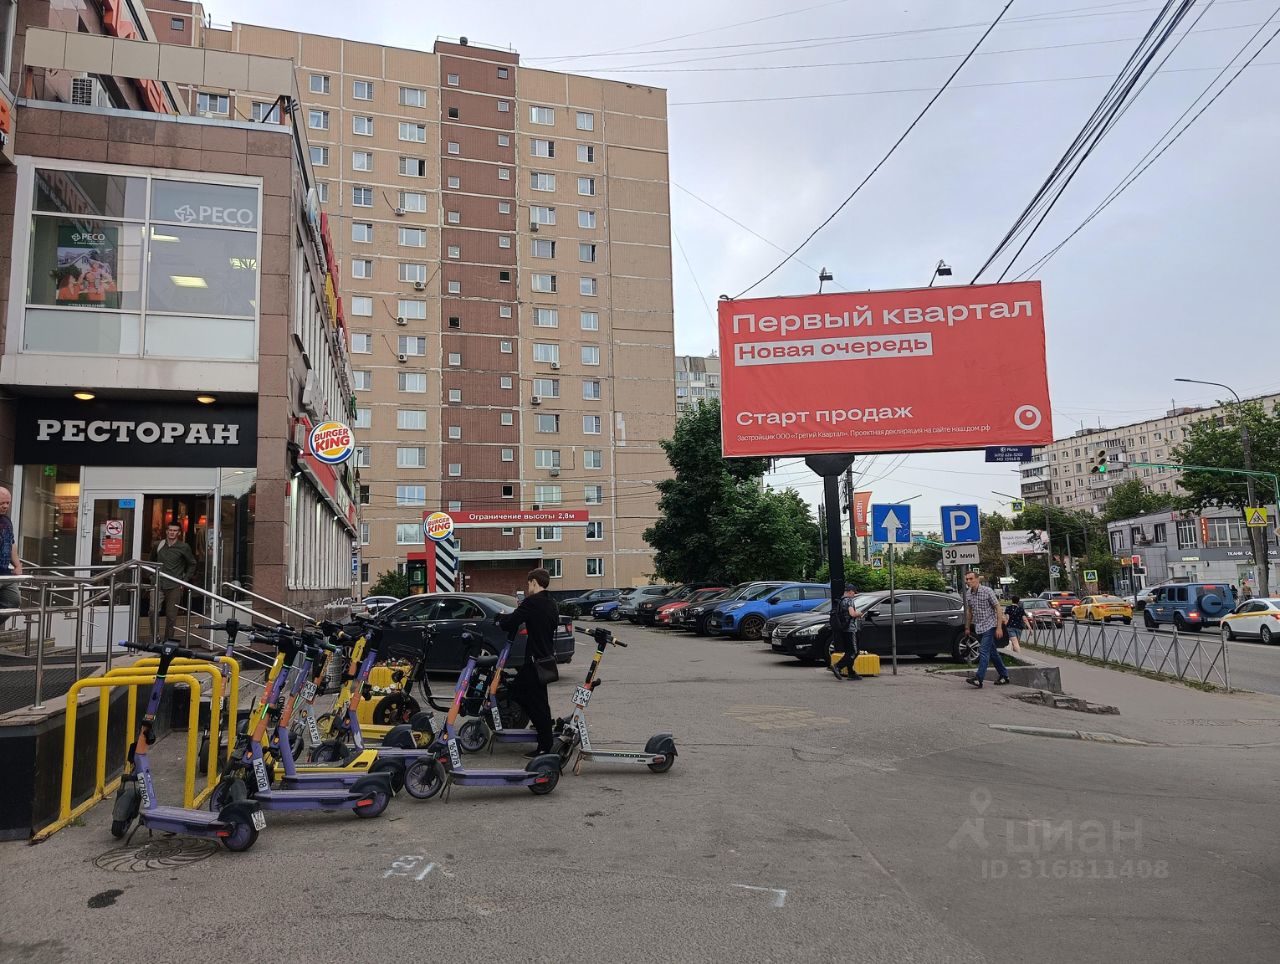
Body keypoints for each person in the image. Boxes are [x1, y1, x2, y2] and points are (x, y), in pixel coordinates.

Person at [497, 568, 560, 756]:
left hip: (533, 661)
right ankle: (544, 732)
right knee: (539, 701)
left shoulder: (532, 602)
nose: (528, 586)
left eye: (529, 583)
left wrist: (500, 618)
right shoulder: (551, 603)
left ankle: (544, 746)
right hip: (546, 660)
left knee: (521, 694)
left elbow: (511, 622)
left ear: (534, 582)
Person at [964, 571, 1010, 688]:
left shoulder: (987, 591)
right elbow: (970, 611)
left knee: (983, 651)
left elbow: (998, 608)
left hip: (990, 625)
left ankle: (979, 678)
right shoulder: (968, 594)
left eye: (971, 579)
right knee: (992, 653)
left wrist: (999, 627)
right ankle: (1004, 675)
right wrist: (967, 627)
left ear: (977, 579)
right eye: (967, 579)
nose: (968, 581)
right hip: (979, 627)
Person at [152, 523, 197, 640]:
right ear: (166, 531)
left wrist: (184, 581)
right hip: (158, 583)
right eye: (170, 530)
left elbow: (192, 564)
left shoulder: (184, 547)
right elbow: (151, 562)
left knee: (171, 615)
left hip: (174, 585)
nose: (172, 532)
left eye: (175, 530)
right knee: (153, 611)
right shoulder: (158, 545)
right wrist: (152, 577)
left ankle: (168, 641)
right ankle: (155, 638)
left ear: (179, 533)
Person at [830, 587, 863, 681]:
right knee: (854, 652)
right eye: (854, 593)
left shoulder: (840, 601)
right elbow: (852, 614)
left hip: (843, 628)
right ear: (850, 591)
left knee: (849, 651)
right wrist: (859, 613)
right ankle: (837, 666)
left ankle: (851, 673)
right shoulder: (849, 601)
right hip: (850, 629)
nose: (854, 595)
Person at [0, 487, 22, 626]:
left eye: (8, 503)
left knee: (13, 600)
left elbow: (11, 543)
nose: (5, 506)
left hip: (5, 572)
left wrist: (17, 564)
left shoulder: (6, 521)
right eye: (2, 503)